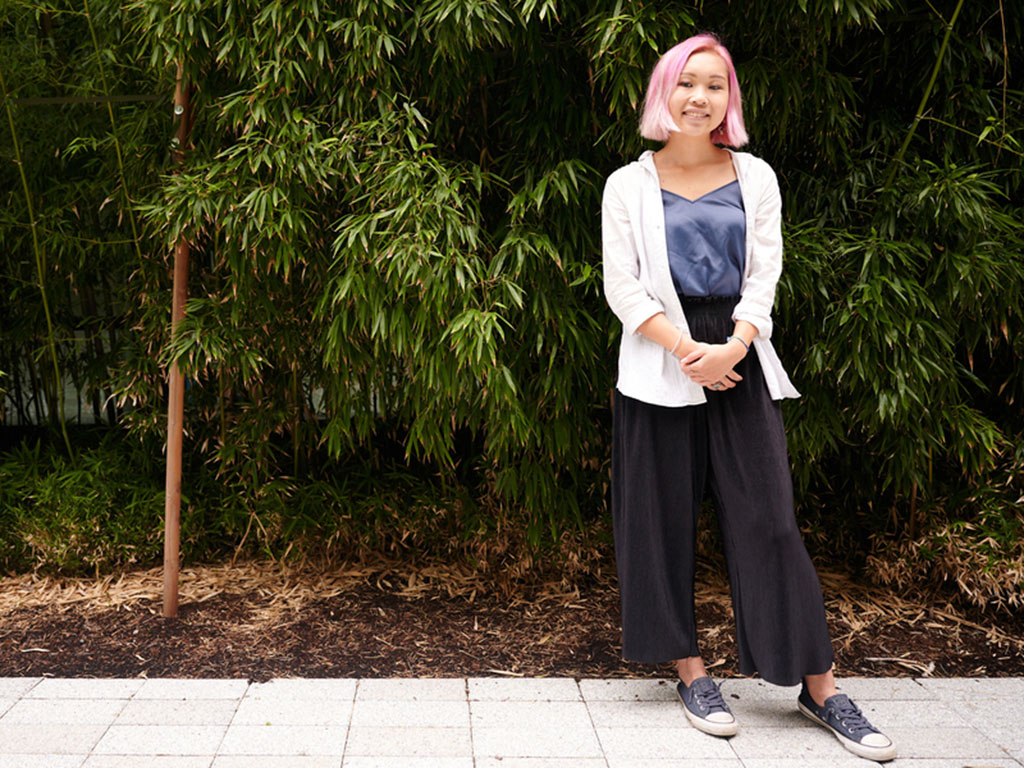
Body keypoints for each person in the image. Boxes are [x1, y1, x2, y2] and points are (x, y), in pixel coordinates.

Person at [601, 33, 896, 762]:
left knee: (769, 518)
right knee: (659, 516)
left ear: (729, 99)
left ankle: (819, 685)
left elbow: (765, 273)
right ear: (662, 94)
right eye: (686, 83)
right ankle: (691, 673)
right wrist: (683, 352)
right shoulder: (626, 184)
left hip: (737, 350)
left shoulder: (755, 175)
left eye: (715, 85)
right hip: (660, 354)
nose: (699, 97)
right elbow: (622, 284)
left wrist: (733, 345)